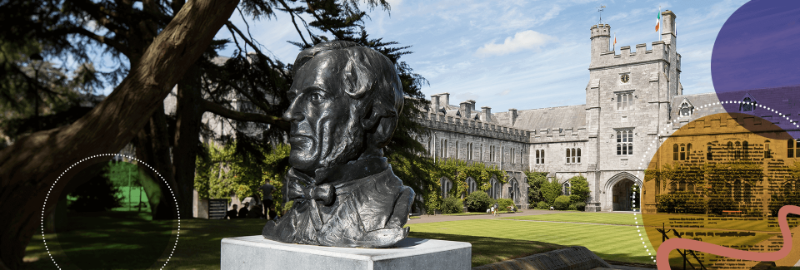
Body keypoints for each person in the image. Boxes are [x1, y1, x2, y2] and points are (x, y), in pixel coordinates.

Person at [262, 41, 414, 248]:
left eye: (315, 97)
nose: (289, 114)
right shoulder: (293, 216)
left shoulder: (391, 203)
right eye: (293, 99)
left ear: (376, 120)